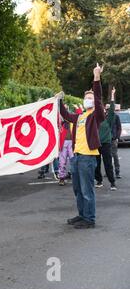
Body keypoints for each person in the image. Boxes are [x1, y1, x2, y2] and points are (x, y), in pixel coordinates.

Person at [58, 63, 105, 229]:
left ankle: (89, 219)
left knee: (87, 190)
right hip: (76, 157)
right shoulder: (80, 116)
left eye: (90, 97)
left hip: (87, 157)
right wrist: (60, 100)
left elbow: (98, 98)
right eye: (86, 97)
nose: (88, 99)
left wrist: (96, 77)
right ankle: (82, 214)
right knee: (78, 190)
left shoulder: (96, 115)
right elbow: (65, 115)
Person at [95, 86, 117, 190]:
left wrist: (112, 95)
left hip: (106, 144)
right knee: (96, 164)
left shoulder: (108, 120)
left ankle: (112, 183)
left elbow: (112, 109)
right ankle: (99, 181)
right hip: (96, 144)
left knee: (108, 164)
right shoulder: (95, 120)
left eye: (103, 110)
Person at [58, 109, 74, 186]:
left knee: (74, 161)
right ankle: (61, 178)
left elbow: (80, 115)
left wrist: (78, 109)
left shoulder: (73, 123)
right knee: (62, 162)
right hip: (63, 143)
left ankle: (73, 175)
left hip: (72, 143)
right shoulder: (61, 123)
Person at [110, 101, 122, 179]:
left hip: (113, 139)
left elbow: (119, 128)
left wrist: (117, 137)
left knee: (114, 155)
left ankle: (117, 172)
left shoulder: (116, 116)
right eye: (107, 109)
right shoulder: (105, 116)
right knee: (107, 157)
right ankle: (109, 171)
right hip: (106, 140)